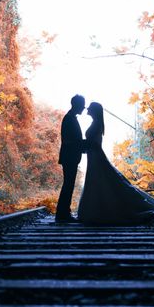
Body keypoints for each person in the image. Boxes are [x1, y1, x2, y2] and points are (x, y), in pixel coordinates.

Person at [77, 101, 154, 225]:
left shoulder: (96, 124)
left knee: (102, 182)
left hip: (96, 156)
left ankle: (96, 211)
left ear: (94, 111)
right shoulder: (97, 123)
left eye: (89, 108)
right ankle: (97, 210)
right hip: (94, 156)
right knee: (103, 182)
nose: (87, 109)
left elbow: (93, 143)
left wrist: (79, 145)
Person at [55, 94, 87, 222]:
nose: (84, 108)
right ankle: (63, 214)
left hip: (70, 157)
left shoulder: (70, 118)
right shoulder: (69, 119)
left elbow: (72, 140)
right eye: (82, 105)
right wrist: (84, 144)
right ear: (77, 105)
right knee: (68, 185)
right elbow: (69, 140)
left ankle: (63, 213)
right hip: (70, 157)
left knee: (68, 184)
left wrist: (82, 144)